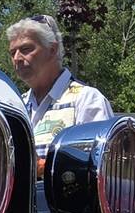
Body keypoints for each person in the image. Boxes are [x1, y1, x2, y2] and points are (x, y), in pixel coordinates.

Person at [6, 13, 112, 148]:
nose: (17, 58)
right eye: (12, 53)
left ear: (52, 50)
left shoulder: (86, 99)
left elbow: (98, 157)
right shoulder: (16, 106)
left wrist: (39, 161)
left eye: (25, 49)